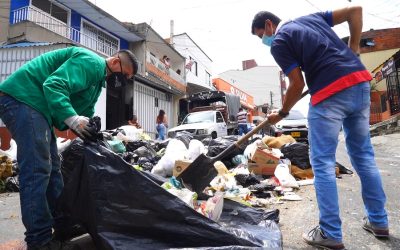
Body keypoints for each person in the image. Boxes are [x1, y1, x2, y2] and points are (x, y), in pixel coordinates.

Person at [251, 5, 388, 250]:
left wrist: (281, 113)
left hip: (329, 93)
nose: (264, 40)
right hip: (359, 82)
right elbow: (355, 11)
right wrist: (353, 47)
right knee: (364, 156)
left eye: (261, 35)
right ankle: (379, 221)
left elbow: (296, 84)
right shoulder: (310, 19)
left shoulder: (280, 40)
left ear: (269, 25)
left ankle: (330, 233)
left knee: (323, 162)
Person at [0, 47, 138, 250]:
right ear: (116, 62)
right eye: (124, 75)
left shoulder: (97, 82)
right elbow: (54, 84)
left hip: (37, 107)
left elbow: (84, 110)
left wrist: (90, 128)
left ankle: (63, 224)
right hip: (23, 98)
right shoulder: (92, 63)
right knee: (37, 170)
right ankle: (38, 239)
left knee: (53, 167)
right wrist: (73, 119)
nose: (123, 81)